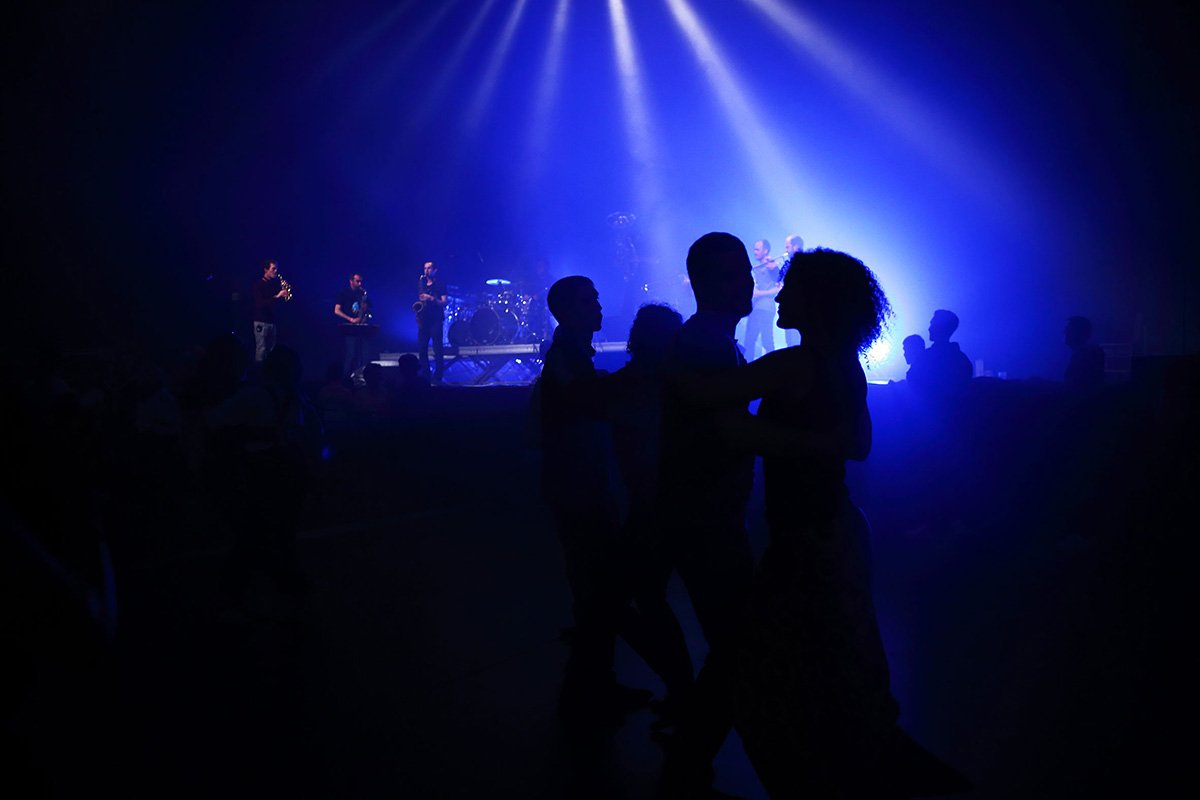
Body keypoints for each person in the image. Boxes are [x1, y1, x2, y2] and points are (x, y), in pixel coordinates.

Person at [682, 249, 969, 797]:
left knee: (768, 660)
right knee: (842, 658)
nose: (778, 297)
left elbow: (703, 398)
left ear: (817, 302)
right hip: (834, 528)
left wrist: (668, 356)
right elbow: (857, 445)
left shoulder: (798, 363)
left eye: (789, 290)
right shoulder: (842, 360)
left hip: (809, 536)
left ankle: (706, 768)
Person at [657, 232, 757, 798]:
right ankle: (687, 767)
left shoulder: (710, 343)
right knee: (739, 647)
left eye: (744, 270)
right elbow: (720, 431)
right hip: (707, 522)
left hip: (707, 519)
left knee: (734, 646)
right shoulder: (706, 346)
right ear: (702, 282)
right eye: (733, 272)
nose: (746, 280)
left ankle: (688, 763)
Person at [536, 276, 652, 725]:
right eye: (591, 299)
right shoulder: (567, 355)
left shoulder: (569, 353)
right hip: (577, 486)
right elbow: (587, 404)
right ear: (568, 309)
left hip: (575, 484)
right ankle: (590, 691)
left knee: (594, 591)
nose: (599, 305)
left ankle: (591, 687)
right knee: (596, 589)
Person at [910, 309, 973, 398]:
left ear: (940, 328)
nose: (929, 328)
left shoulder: (925, 358)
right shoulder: (963, 360)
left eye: (932, 324)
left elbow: (913, 384)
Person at [744, 239, 781, 360]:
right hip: (755, 308)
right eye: (754, 249)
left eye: (757, 249)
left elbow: (779, 286)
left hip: (765, 308)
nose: (754, 252)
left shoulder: (771, 265)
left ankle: (774, 368)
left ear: (765, 251)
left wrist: (760, 294)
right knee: (750, 340)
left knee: (766, 340)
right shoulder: (756, 268)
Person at [334, 272, 370, 383]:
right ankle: (345, 379)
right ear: (351, 281)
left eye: (360, 281)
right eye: (357, 281)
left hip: (361, 327)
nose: (359, 283)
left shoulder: (362, 293)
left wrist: (365, 311)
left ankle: (362, 378)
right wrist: (350, 319)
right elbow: (336, 310)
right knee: (350, 354)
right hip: (349, 327)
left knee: (363, 354)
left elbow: (368, 311)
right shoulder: (344, 293)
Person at [251, 260, 290, 363]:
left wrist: (284, 296)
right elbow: (260, 304)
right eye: (273, 269)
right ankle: (258, 375)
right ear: (266, 270)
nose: (276, 271)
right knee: (261, 350)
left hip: (271, 322)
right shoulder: (259, 285)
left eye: (276, 268)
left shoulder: (273, 285)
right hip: (261, 321)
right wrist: (277, 297)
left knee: (271, 351)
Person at [415, 261, 447, 382]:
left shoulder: (440, 284)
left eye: (429, 268)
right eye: (425, 268)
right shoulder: (422, 283)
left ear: (435, 270)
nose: (426, 271)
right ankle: (426, 374)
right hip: (424, 319)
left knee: (437, 348)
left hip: (436, 319)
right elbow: (420, 298)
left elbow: (445, 302)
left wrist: (433, 299)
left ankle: (438, 375)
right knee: (422, 348)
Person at [1064, 315, 1105, 389]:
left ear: (1080, 333)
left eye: (1069, 330)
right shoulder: (1083, 352)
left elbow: (1080, 386)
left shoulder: (1091, 353)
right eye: (1067, 330)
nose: (1065, 333)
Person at [780, 235, 804, 348]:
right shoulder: (788, 264)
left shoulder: (804, 265)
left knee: (796, 342)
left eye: (788, 247)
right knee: (789, 342)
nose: (786, 250)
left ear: (796, 247)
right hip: (789, 308)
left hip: (798, 309)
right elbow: (777, 281)